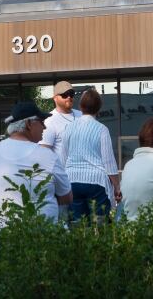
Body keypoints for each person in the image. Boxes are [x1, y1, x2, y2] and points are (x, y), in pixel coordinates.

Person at [0, 101, 72, 227]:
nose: (45, 127)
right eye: (41, 122)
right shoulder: (47, 156)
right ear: (29, 124)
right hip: (39, 239)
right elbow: (66, 197)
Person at [61, 89, 120, 224]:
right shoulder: (101, 129)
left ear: (80, 106)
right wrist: (117, 187)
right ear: (98, 108)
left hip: (72, 180)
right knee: (100, 225)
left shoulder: (69, 128)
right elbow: (108, 162)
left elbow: (63, 158)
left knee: (78, 225)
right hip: (96, 182)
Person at [40, 81, 82, 165]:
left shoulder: (81, 115)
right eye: (64, 95)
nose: (69, 97)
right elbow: (43, 152)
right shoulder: (50, 120)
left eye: (71, 94)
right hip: (63, 175)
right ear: (55, 98)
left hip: (85, 174)